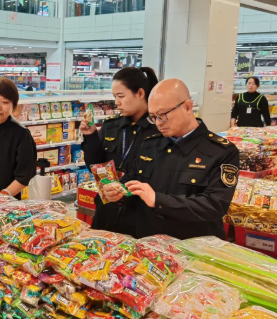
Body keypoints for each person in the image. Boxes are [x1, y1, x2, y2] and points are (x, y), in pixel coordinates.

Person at [103, 79, 240, 240]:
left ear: (187, 107)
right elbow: (131, 180)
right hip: (147, 242)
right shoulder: (150, 145)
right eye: (153, 117)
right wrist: (118, 192)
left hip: (193, 246)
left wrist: (158, 200)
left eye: (162, 115)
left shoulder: (221, 151)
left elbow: (214, 205)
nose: (158, 123)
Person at [80, 67, 159, 235]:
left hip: (140, 216)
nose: (117, 102)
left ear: (140, 93)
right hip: (107, 209)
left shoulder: (159, 130)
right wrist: (90, 136)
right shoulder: (111, 126)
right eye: (115, 96)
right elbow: (96, 165)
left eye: (121, 96)